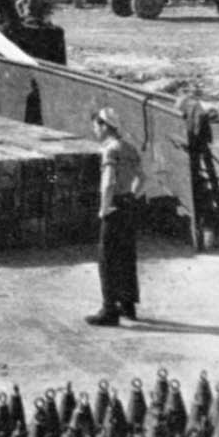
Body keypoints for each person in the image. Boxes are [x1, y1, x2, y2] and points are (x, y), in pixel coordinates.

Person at [86, 107, 143, 327]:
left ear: (104, 126)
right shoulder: (130, 148)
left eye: (96, 127)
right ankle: (128, 305)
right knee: (127, 256)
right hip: (128, 204)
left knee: (107, 259)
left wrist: (104, 208)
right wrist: (132, 195)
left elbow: (108, 182)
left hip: (115, 206)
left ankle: (109, 310)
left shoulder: (110, 150)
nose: (95, 131)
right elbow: (143, 177)